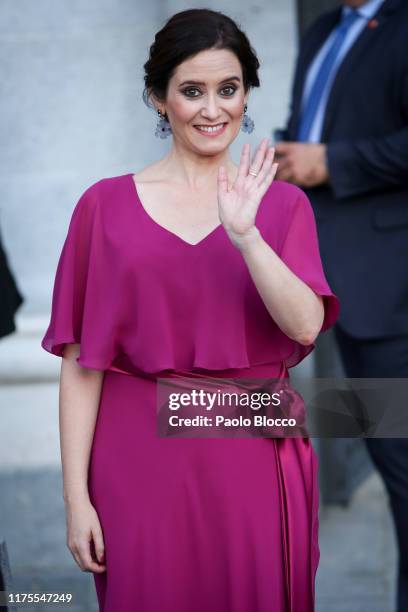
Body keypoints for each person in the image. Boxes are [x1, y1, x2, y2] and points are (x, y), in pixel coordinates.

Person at [41, 9, 339, 611]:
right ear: (158, 98)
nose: (212, 109)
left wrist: (247, 236)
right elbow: (80, 362)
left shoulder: (282, 208)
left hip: (251, 452)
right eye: (192, 91)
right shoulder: (103, 208)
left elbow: (306, 325)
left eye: (228, 90)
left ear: (247, 93)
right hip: (136, 456)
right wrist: (77, 499)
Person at [274, 0, 408, 610]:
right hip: (329, 281)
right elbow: (312, 123)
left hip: (392, 291)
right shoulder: (327, 26)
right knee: (385, 450)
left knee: (402, 462)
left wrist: (331, 161)